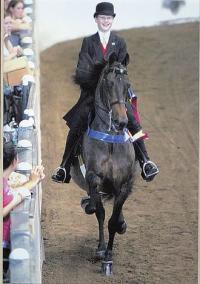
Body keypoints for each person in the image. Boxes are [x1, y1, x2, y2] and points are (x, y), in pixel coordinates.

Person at [52, 2, 159, 184]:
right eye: (102, 18)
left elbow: (123, 70)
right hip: (93, 94)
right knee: (78, 122)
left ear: (113, 19)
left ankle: (145, 161)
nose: (105, 21)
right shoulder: (88, 43)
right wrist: (97, 82)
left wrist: (116, 85)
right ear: (96, 19)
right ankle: (64, 167)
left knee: (132, 121)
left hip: (116, 95)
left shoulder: (120, 43)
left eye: (108, 18)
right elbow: (81, 70)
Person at [3, 141, 45, 279]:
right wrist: (18, 198)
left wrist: (33, 181)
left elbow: (12, 191)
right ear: (15, 161)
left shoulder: (4, 181)